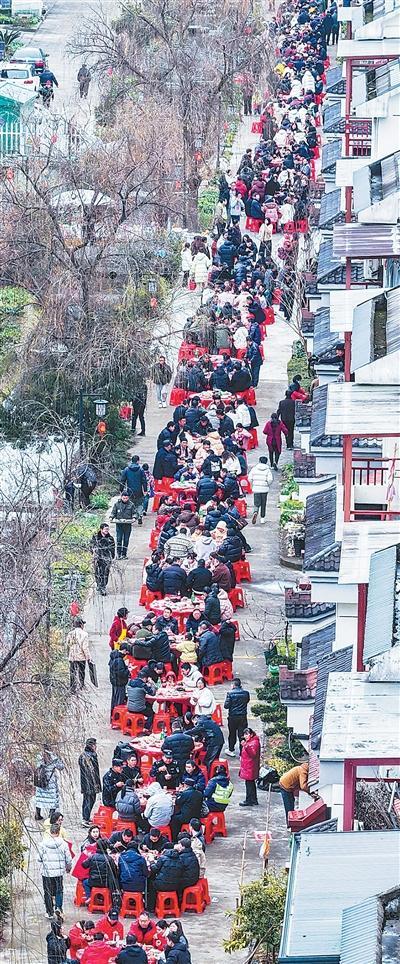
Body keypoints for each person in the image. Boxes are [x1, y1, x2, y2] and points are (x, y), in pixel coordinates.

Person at [38, 824, 72, 917]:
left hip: (47, 872)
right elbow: (68, 859)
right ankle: (58, 907)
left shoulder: (43, 844)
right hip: (58, 872)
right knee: (59, 890)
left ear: (50, 832)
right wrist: (68, 868)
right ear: (58, 832)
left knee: (47, 892)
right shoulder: (63, 844)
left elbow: (39, 858)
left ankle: (49, 912)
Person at [147, 849, 182, 914]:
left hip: (162, 885)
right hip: (175, 886)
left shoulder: (162, 858)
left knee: (151, 884)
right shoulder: (180, 859)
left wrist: (151, 861)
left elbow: (155, 869)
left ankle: (151, 908)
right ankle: (171, 905)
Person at [34, 746, 64, 822]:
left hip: (40, 780)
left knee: (39, 797)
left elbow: (36, 766)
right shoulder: (53, 757)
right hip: (51, 781)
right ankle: (50, 816)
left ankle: (37, 814)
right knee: (53, 799)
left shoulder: (38, 756)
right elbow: (61, 767)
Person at [78, 738, 101, 827]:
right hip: (89, 784)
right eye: (95, 745)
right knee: (89, 800)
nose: (96, 747)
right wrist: (95, 784)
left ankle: (86, 817)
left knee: (88, 800)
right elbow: (91, 772)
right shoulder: (87, 757)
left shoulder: (87, 755)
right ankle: (85, 818)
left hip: (88, 783)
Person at [224, 678, 250, 756]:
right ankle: (242, 752)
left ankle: (231, 750)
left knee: (232, 734)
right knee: (242, 734)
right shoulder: (246, 693)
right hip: (243, 716)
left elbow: (226, 706)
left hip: (233, 717)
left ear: (233, 685)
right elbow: (247, 701)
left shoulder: (230, 694)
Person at [119, 456, 148, 525]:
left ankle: (131, 517)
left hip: (130, 491)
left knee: (130, 504)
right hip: (139, 491)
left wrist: (121, 490)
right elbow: (144, 481)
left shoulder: (126, 470)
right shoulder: (141, 470)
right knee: (139, 504)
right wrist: (145, 490)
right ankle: (139, 516)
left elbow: (122, 480)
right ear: (138, 461)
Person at [66, 616, 91, 692]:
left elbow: (67, 644)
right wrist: (88, 657)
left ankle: (72, 687)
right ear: (81, 625)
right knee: (81, 672)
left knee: (72, 672)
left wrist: (69, 654)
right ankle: (81, 686)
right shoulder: (85, 634)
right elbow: (85, 648)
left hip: (72, 656)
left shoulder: (70, 633)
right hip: (81, 657)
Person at [90, 523, 115, 595]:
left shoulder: (110, 538)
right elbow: (92, 546)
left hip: (106, 558)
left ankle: (103, 586)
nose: (107, 531)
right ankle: (99, 584)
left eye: (108, 529)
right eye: (105, 529)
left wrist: (112, 556)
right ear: (101, 529)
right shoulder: (95, 537)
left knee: (105, 572)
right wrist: (94, 553)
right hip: (97, 557)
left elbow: (112, 548)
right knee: (97, 572)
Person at [248, 455, 273, 525]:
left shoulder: (254, 469)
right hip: (264, 489)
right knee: (263, 504)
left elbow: (250, 478)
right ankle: (262, 519)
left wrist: (253, 483)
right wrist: (267, 484)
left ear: (259, 461)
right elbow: (270, 479)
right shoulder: (268, 470)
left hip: (256, 489)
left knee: (256, 503)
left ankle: (255, 512)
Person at [239, 727, 261, 807]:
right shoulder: (251, 742)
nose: (245, 736)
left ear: (251, 735)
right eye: (244, 734)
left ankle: (249, 800)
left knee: (249, 784)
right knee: (250, 783)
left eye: (247, 734)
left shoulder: (253, 743)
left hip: (250, 767)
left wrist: (245, 746)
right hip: (249, 766)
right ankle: (253, 800)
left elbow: (253, 754)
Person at [111, 492, 136, 558]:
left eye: (126, 498)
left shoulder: (131, 505)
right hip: (119, 525)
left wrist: (134, 518)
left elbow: (135, 513)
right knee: (119, 539)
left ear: (128, 498)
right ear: (121, 497)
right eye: (124, 498)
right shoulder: (117, 504)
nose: (125, 499)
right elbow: (113, 512)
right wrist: (111, 517)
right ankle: (118, 554)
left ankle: (124, 554)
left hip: (127, 525)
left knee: (126, 540)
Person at [109, 645, 130, 715]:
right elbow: (121, 673)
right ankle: (117, 715)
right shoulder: (119, 660)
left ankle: (113, 714)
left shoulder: (114, 657)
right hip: (120, 682)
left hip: (114, 682)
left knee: (114, 699)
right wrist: (128, 669)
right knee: (119, 701)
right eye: (126, 652)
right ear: (124, 650)